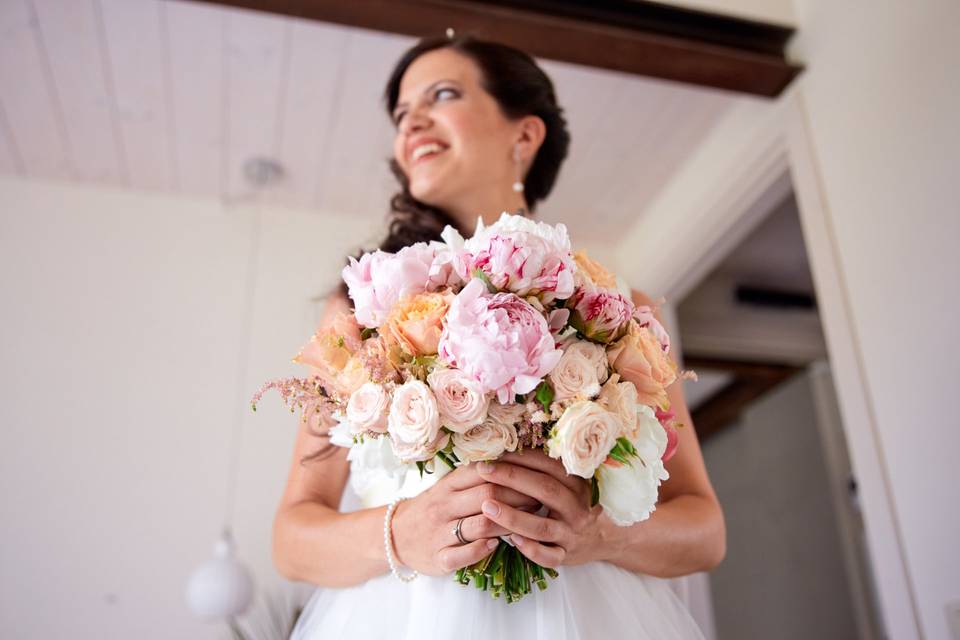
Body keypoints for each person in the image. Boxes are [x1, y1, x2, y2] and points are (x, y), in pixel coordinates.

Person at [274, 34, 725, 639]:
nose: (412, 124)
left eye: (443, 95)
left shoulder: (620, 313)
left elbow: (703, 529)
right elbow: (292, 538)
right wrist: (400, 533)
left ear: (524, 135)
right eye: (402, 114)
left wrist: (598, 532)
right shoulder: (361, 309)